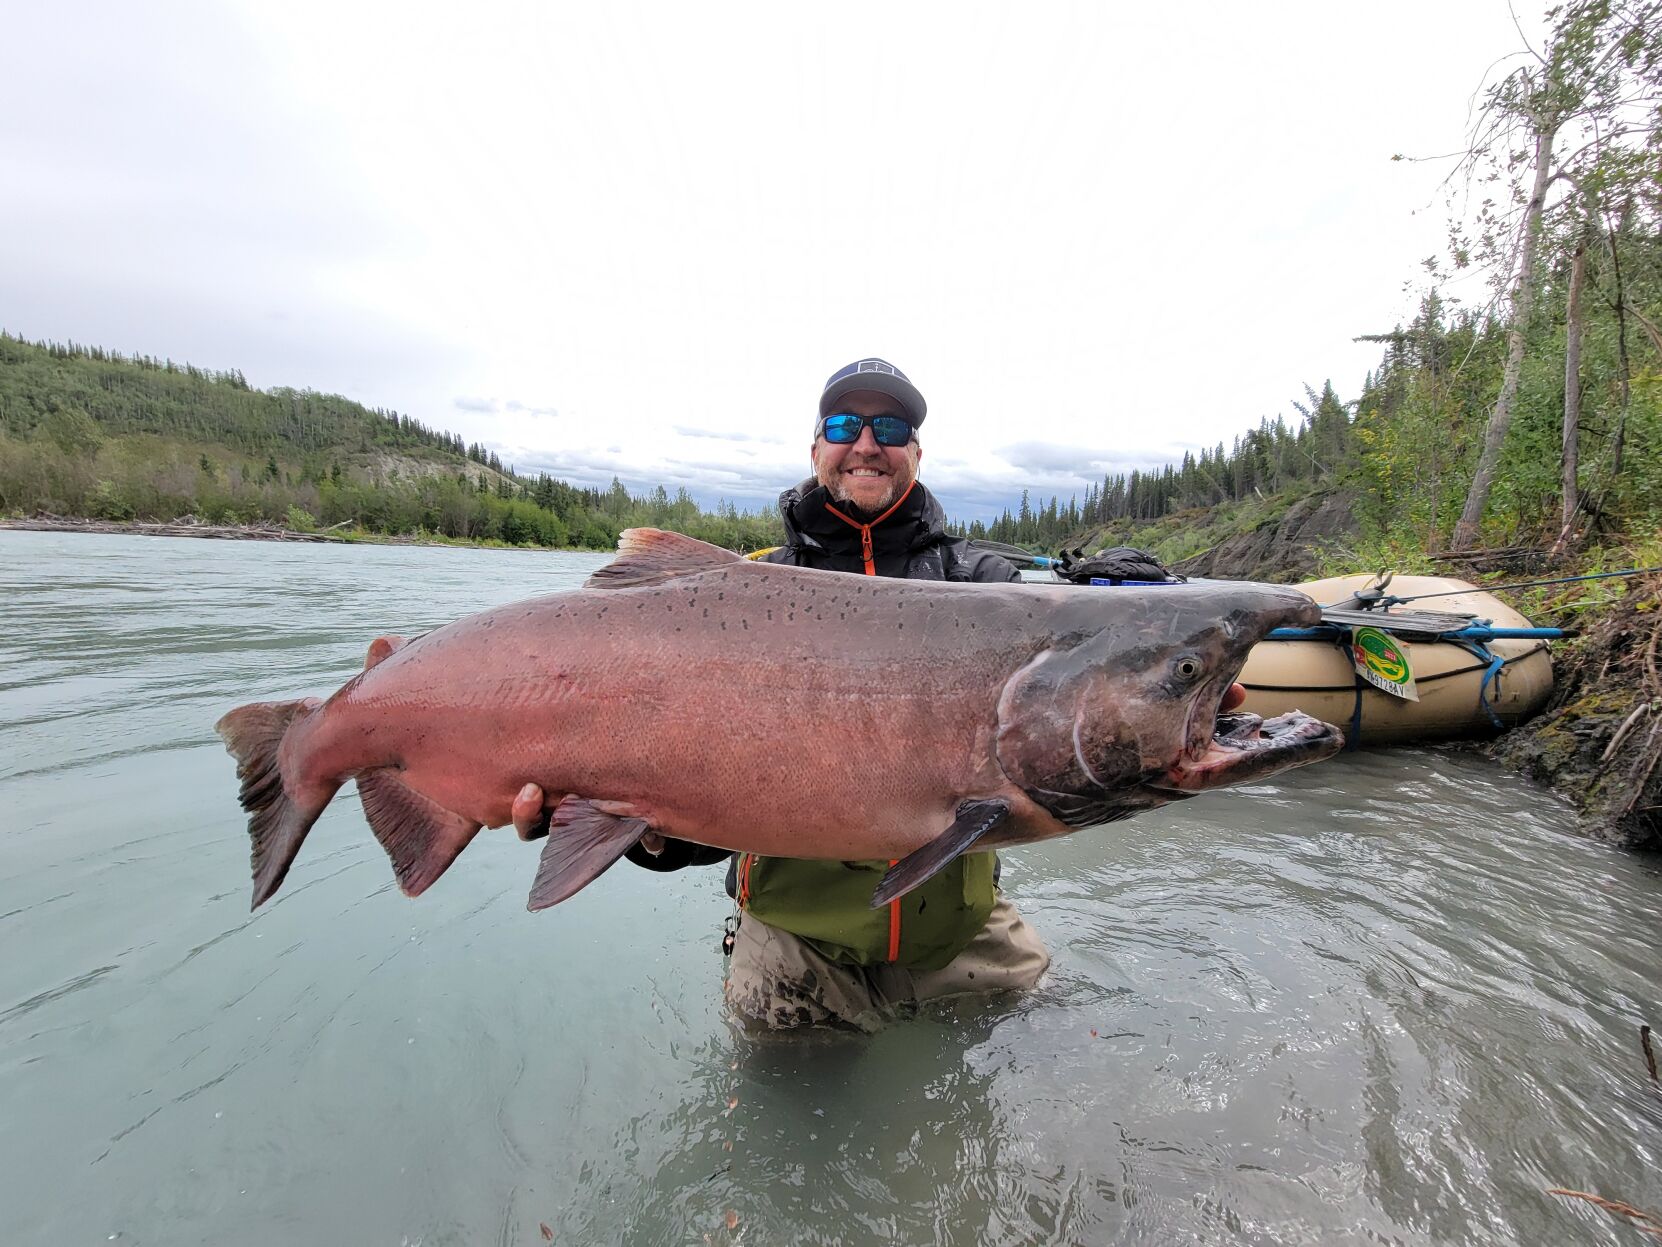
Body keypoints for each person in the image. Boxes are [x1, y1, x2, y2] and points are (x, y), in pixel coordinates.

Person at [511, 358, 1051, 1031]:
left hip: (959, 934)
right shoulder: (750, 589)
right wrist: (638, 829)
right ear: (816, 447)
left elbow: (1089, 654)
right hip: (798, 948)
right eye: (844, 424)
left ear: (914, 450)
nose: (865, 443)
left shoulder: (983, 586)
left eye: (889, 425)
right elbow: (709, 819)